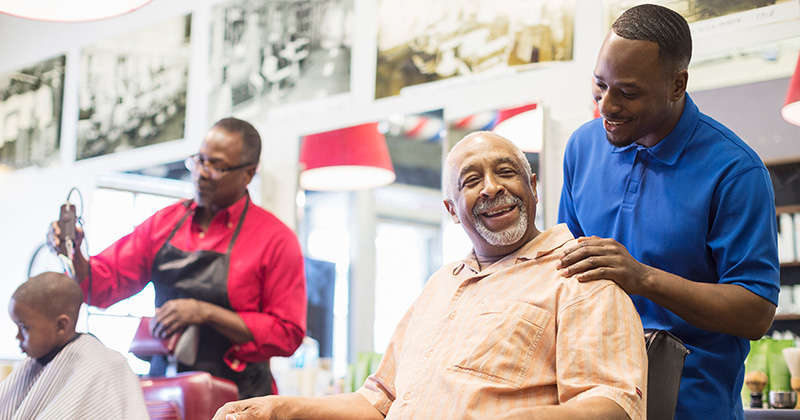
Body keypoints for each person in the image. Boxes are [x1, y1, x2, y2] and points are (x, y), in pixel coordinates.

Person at [213, 131, 647, 420]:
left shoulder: (579, 276)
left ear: (533, 186)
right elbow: (376, 401)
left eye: (507, 172)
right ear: (451, 212)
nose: (492, 187)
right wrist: (277, 409)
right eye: (471, 180)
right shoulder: (441, 285)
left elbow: (614, 404)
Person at [557, 4, 779, 420]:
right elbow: (566, 272)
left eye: (628, 92)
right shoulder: (583, 148)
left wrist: (643, 278)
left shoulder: (735, 172)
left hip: (692, 408)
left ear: (677, 85)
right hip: (595, 400)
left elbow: (756, 311)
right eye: (600, 85)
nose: (607, 106)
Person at [48, 117, 307, 399]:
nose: (202, 173)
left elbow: (287, 333)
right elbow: (101, 285)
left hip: (241, 399)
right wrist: (74, 256)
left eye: (216, 167)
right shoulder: (164, 224)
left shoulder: (275, 239)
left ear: (248, 174)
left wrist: (205, 312)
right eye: (199, 160)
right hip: (167, 394)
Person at [0, 271, 149, 420]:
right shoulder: (33, 362)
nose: (17, 336)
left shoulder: (106, 365)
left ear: (61, 325)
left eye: (24, 327)